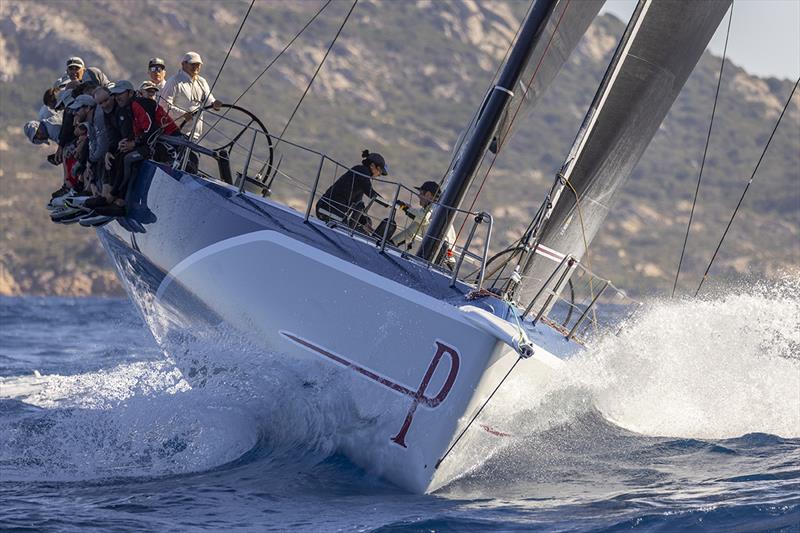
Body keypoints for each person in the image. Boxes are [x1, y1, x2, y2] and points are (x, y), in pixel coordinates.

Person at [316, 150, 388, 229]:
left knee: (361, 221)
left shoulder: (361, 175)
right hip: (328, 209)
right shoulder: (362, 172)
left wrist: (364, 222)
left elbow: (357, 203)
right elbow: (370, 192)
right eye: (379, 171)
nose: (379, 175)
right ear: (372, 165)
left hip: (329, 209)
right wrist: (388, 204)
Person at [160, 51, 222, 141]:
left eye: (198, 65)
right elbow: (164, 105)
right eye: (193, 64)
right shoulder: (174, 81)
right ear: (183, 64)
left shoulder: (202, 82)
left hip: (195, 135)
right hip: (176, 133)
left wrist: (214, 104)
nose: (196, 67)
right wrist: (183, 114)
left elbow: (209, 99)